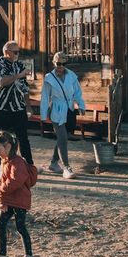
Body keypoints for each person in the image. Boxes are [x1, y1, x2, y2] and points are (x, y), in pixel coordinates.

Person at [0, 130, 36, 257]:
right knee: (0, 224)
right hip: (8, 200)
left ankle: (29, 256)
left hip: (20, 201)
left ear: (8, 146)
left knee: (21, 228)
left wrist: (0, 193)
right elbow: (3, 180)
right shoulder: (5, 161)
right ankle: (2, 255)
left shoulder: (18, 163)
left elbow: (14, 182)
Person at [41, 51, 86, 179]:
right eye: (58, 63)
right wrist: (43, 115)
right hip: (56, 109)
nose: (61, 66)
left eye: (64, 63)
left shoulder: (71, 76)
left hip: (70, 109)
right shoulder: (49, 78)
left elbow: (77, 92)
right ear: (54, 63)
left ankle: (53, 163)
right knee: (63, 137)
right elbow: (45, 97)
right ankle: (66, 167)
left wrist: (81, 105)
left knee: (63, 136)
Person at [0, 41, 34, 176]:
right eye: (15, 52)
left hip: (18, 106)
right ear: (6, 52)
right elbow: (2, 81)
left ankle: (29, 164)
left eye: (18, 52)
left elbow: (25, 87)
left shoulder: (19, 64)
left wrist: (28, 106)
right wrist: (18, 75)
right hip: (2, 106)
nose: (17, 54)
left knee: (23, 138)